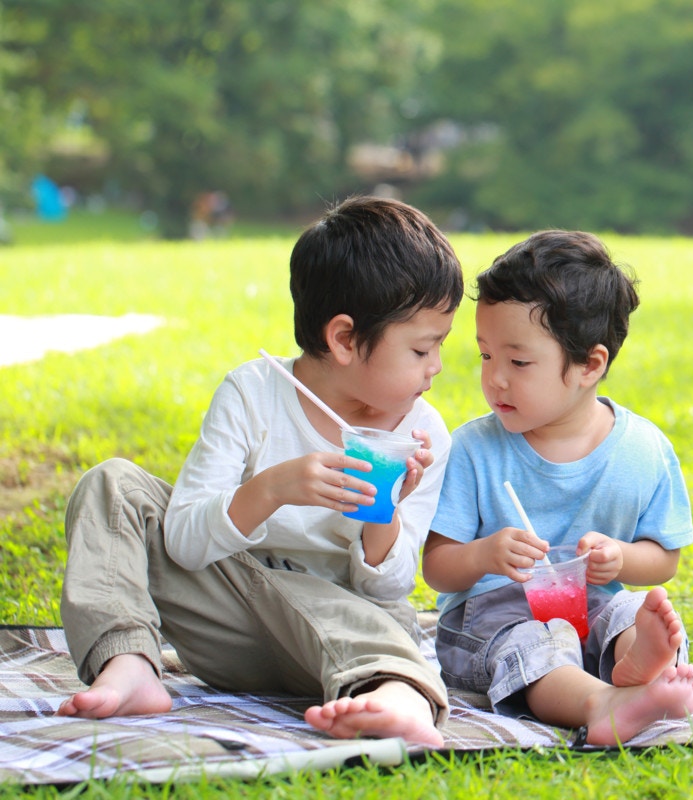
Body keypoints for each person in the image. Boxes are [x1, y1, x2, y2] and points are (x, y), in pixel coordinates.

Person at [56, 196, 463, 747]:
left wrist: (383, 513)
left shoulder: (422, 432)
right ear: (344, 339)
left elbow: (389, 585)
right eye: (422, 348)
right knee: (112, 486)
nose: (436, 366)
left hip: (345, 637)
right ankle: (127, 662)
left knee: (378, 627)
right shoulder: (252, 393)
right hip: (233, 620)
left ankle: (398, 696)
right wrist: (273, 488)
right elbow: (183, 542)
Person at [422, 230, 693, 747]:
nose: (495, 380)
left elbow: (664, 560)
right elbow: (437, 568)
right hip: (491, 626)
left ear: (589, 365)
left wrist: (620, 558)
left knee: (629, 612)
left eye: (519, 362)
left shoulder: (642, 451)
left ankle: (634, 666)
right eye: (486, 356)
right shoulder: (473, 450)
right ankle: (602, 704)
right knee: (537, 641)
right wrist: (486, 555)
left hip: (592, 612)